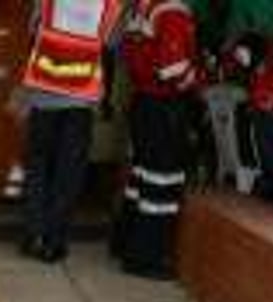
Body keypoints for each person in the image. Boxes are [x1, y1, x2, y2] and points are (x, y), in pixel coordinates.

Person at [19, 0, 124, 264]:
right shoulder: (108, 4)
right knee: (69, 172)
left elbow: (33, 33)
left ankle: (34, 235)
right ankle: (54, 243)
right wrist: (107, 98)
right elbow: (110, 49)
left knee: (38, 166)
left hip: (43, 92)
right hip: (80, 97)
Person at [114, 0, 204, 280]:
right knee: (161, 185)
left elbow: (129, 52)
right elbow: (173, 68)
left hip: (143, 101)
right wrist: (202, 78)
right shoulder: (173, 12)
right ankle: (147, 258)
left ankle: (124, 243)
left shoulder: (142, 8)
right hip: (165, 106)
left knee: (141, 180)